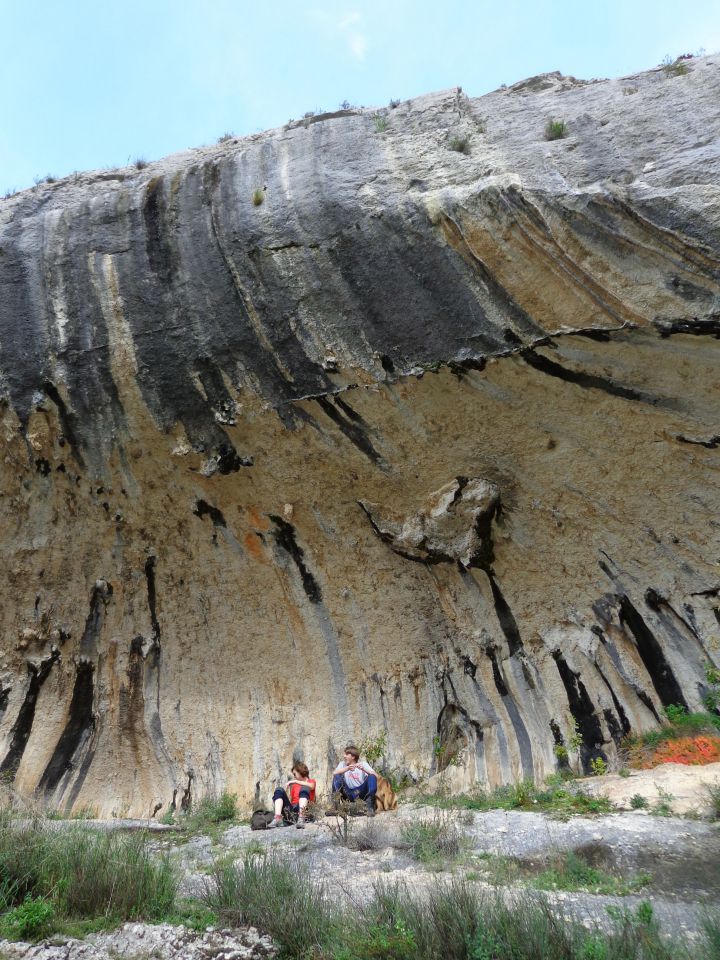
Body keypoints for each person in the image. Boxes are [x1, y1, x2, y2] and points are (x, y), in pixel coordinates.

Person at [268, 761, 316, 829]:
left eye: (295, 774)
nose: (294, 776)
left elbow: (312, 786)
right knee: (279, 790)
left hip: (305, 812)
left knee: (304, 788)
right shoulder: (294, 786)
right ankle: (277, 818)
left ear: (300, 771)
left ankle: (301, 818)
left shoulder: (311, 781)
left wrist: (296, 781)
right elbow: (292, 801)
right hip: (293, 813)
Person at [331, 745, 377, 816]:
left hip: (360, 793)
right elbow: (334, 773)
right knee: (337, 777)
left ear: (353, 757)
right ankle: (335, 807)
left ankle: (370, 806)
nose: (344, 756)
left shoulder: (363, 764)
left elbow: (376, 776)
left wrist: (364, 769)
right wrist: (347, 768)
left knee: (372, 777)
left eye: (346, 754)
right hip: (348, 793)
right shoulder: (342, 764)